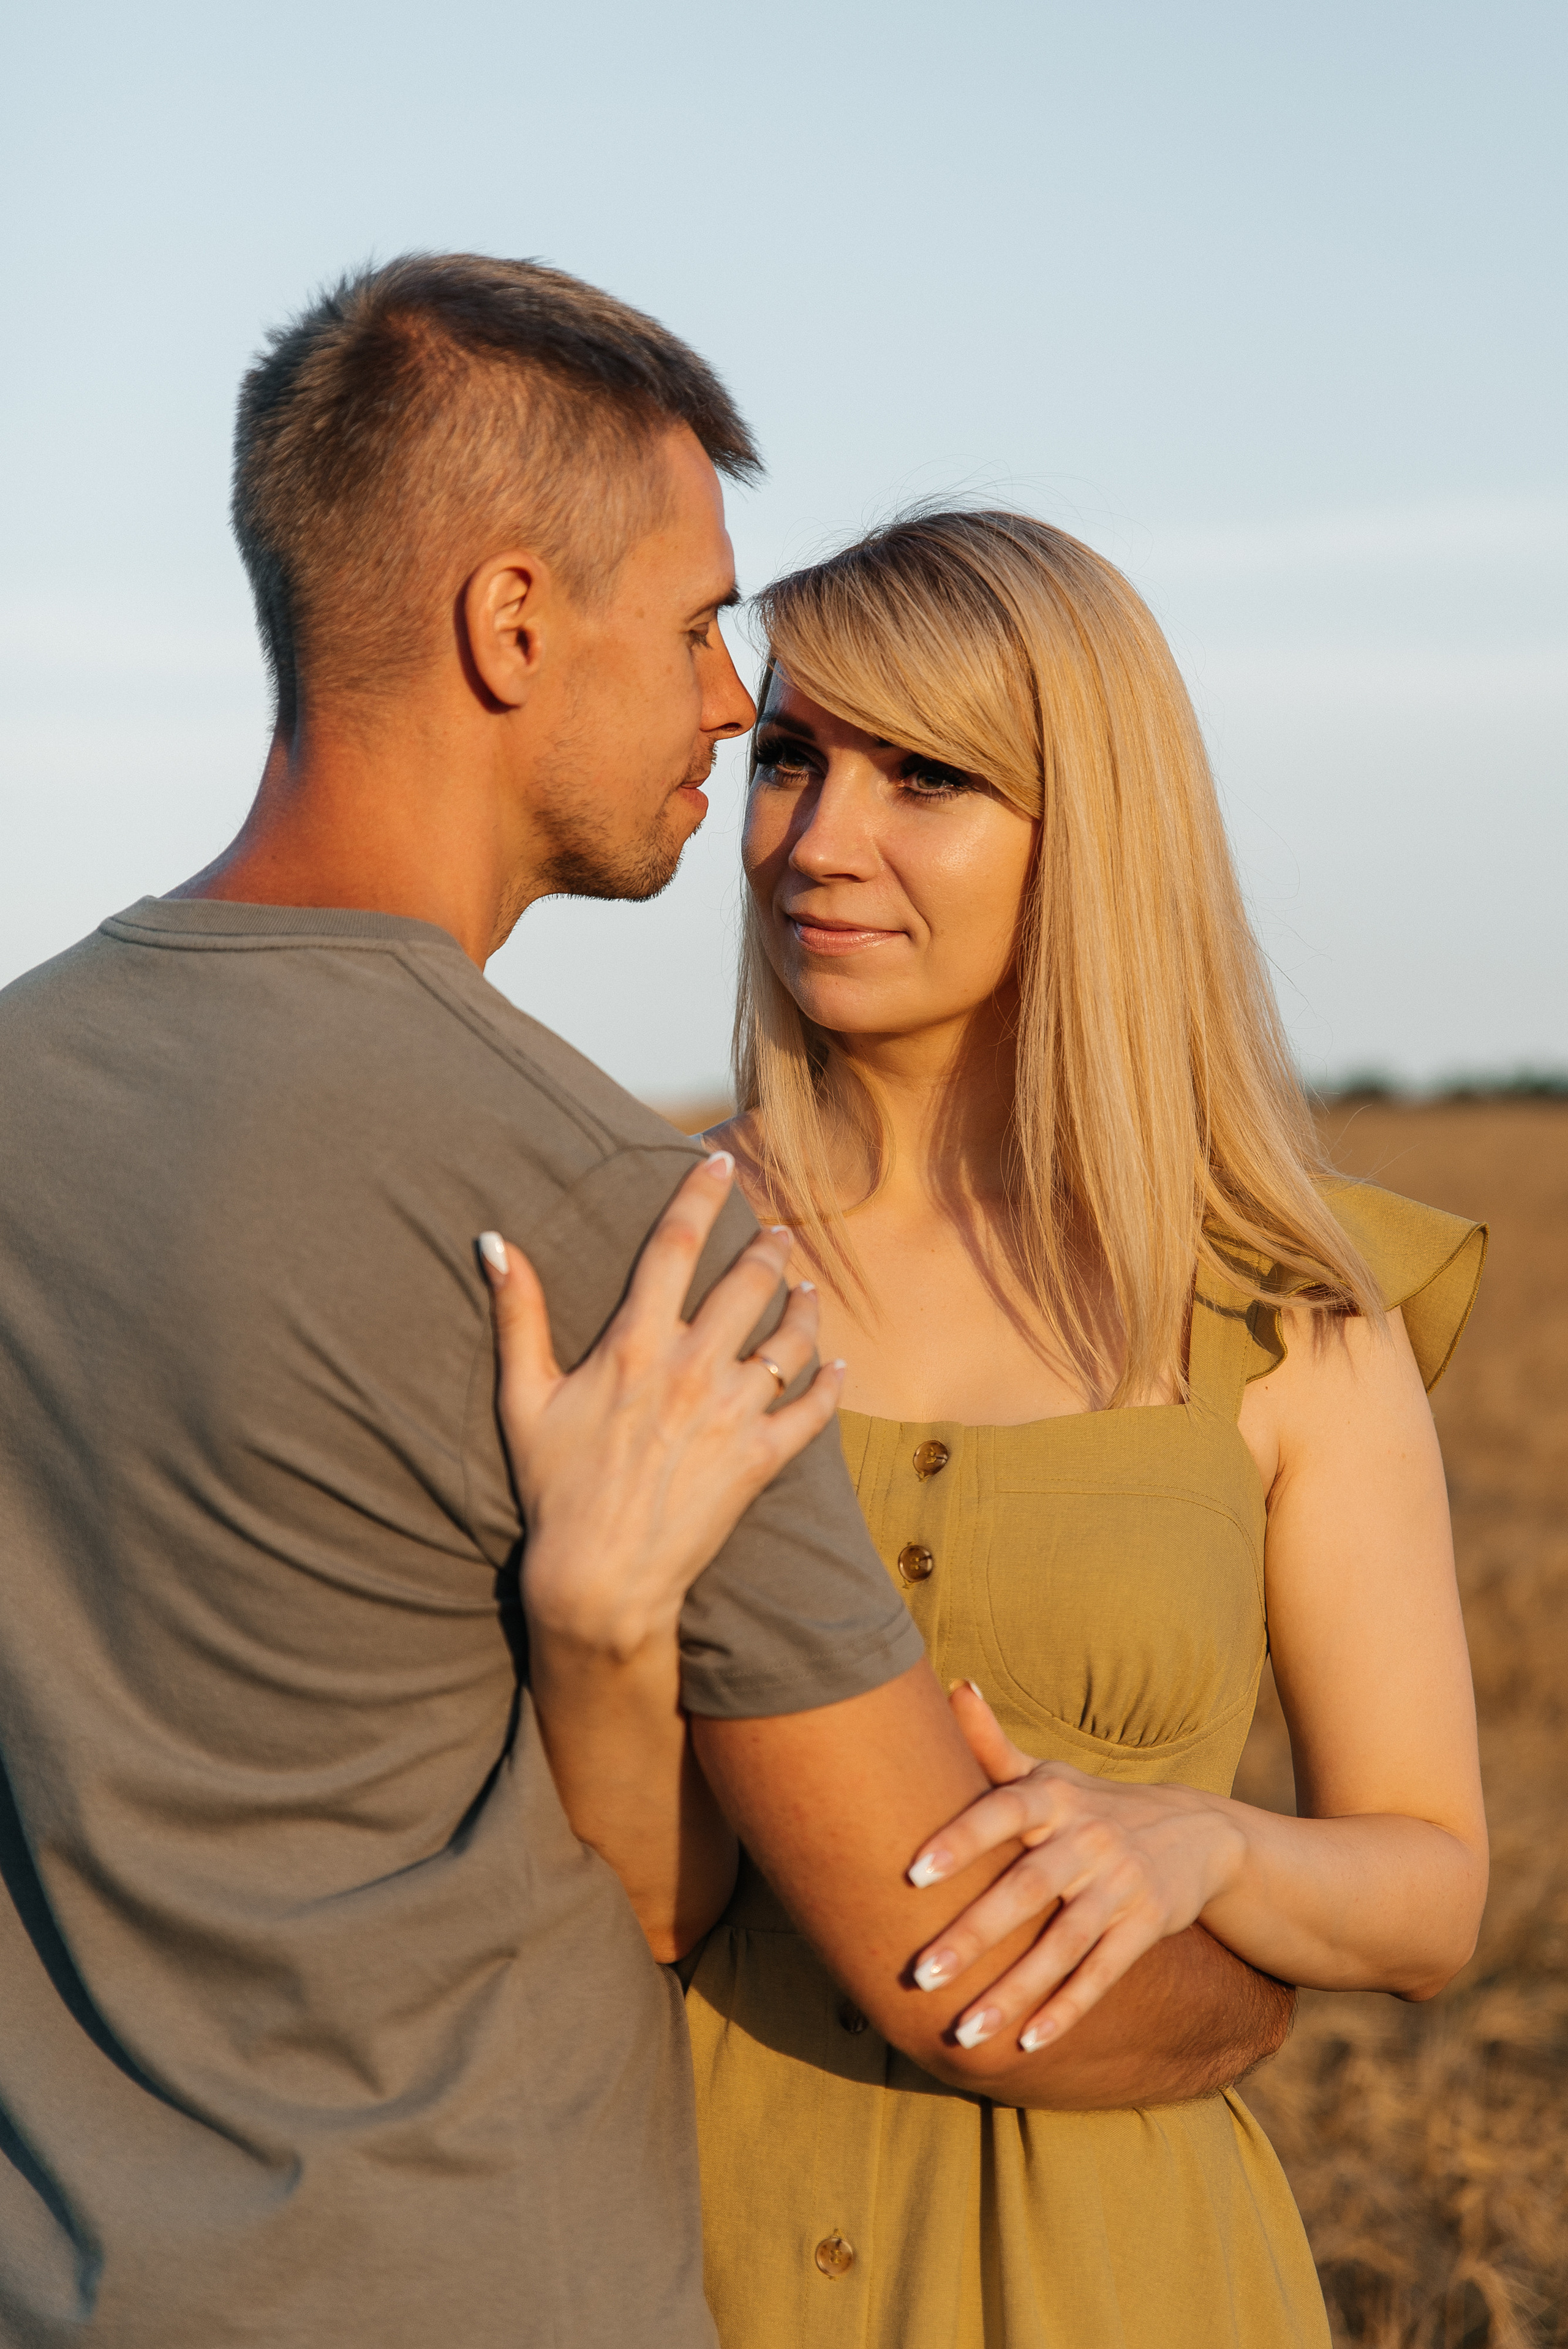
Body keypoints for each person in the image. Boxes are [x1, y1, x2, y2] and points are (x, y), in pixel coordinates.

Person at [0, 263, 1289, 2349]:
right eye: (696, 625)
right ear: (512, 624)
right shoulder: (622, 1219)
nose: (724, 700)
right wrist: (1262, 1972)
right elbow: (956, 1960)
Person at [484, 509, 1490, 2347]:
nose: (818, 836)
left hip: (1127, 2281)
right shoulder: (646, 1254)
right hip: (675, 2260)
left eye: (926, 773)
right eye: (790, 754)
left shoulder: (1285, 1310)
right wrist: (595, 1623)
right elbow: (634, 1898)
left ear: (1089, 830)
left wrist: (1208, 1844)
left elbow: (1429, 1890)